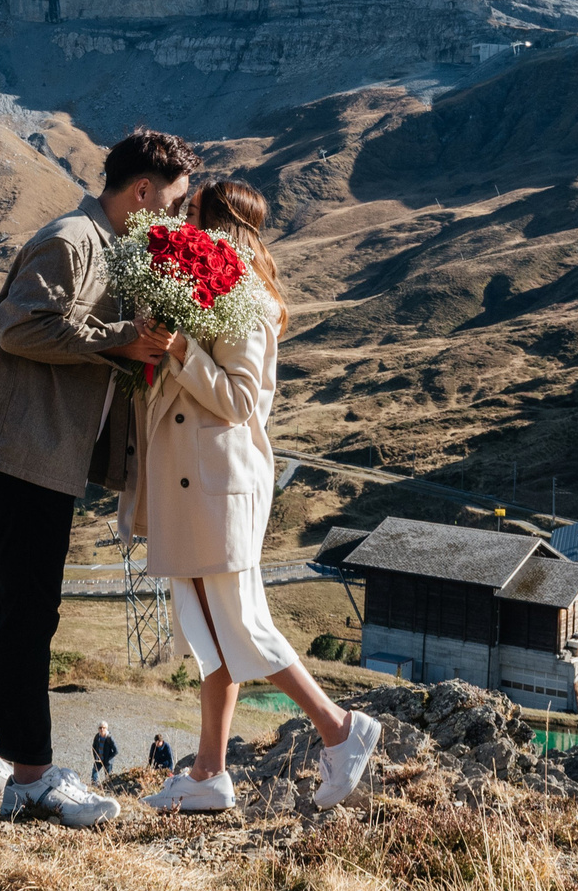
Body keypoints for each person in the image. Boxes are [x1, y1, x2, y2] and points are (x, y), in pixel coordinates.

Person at [0, 129, 194, 828]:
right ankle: (31, 774)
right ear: (140, 191)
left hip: (31, 451)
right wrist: (117, 338)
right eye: (170, 204)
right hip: (26, 451)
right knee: (29, 612)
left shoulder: (101, 246)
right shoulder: (73, 241)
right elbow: (20, 327)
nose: (173, 219)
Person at [130, 180, 382, 814]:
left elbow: (241, 400)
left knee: (240, 624)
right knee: (211, 632)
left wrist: (179, 347)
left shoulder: (244, 296)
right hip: (196, 484)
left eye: (194, 217)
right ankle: (210, 772)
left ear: (220, 226)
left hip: (218, 482)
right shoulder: (216, 291)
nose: (184, 228)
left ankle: (340, 729)